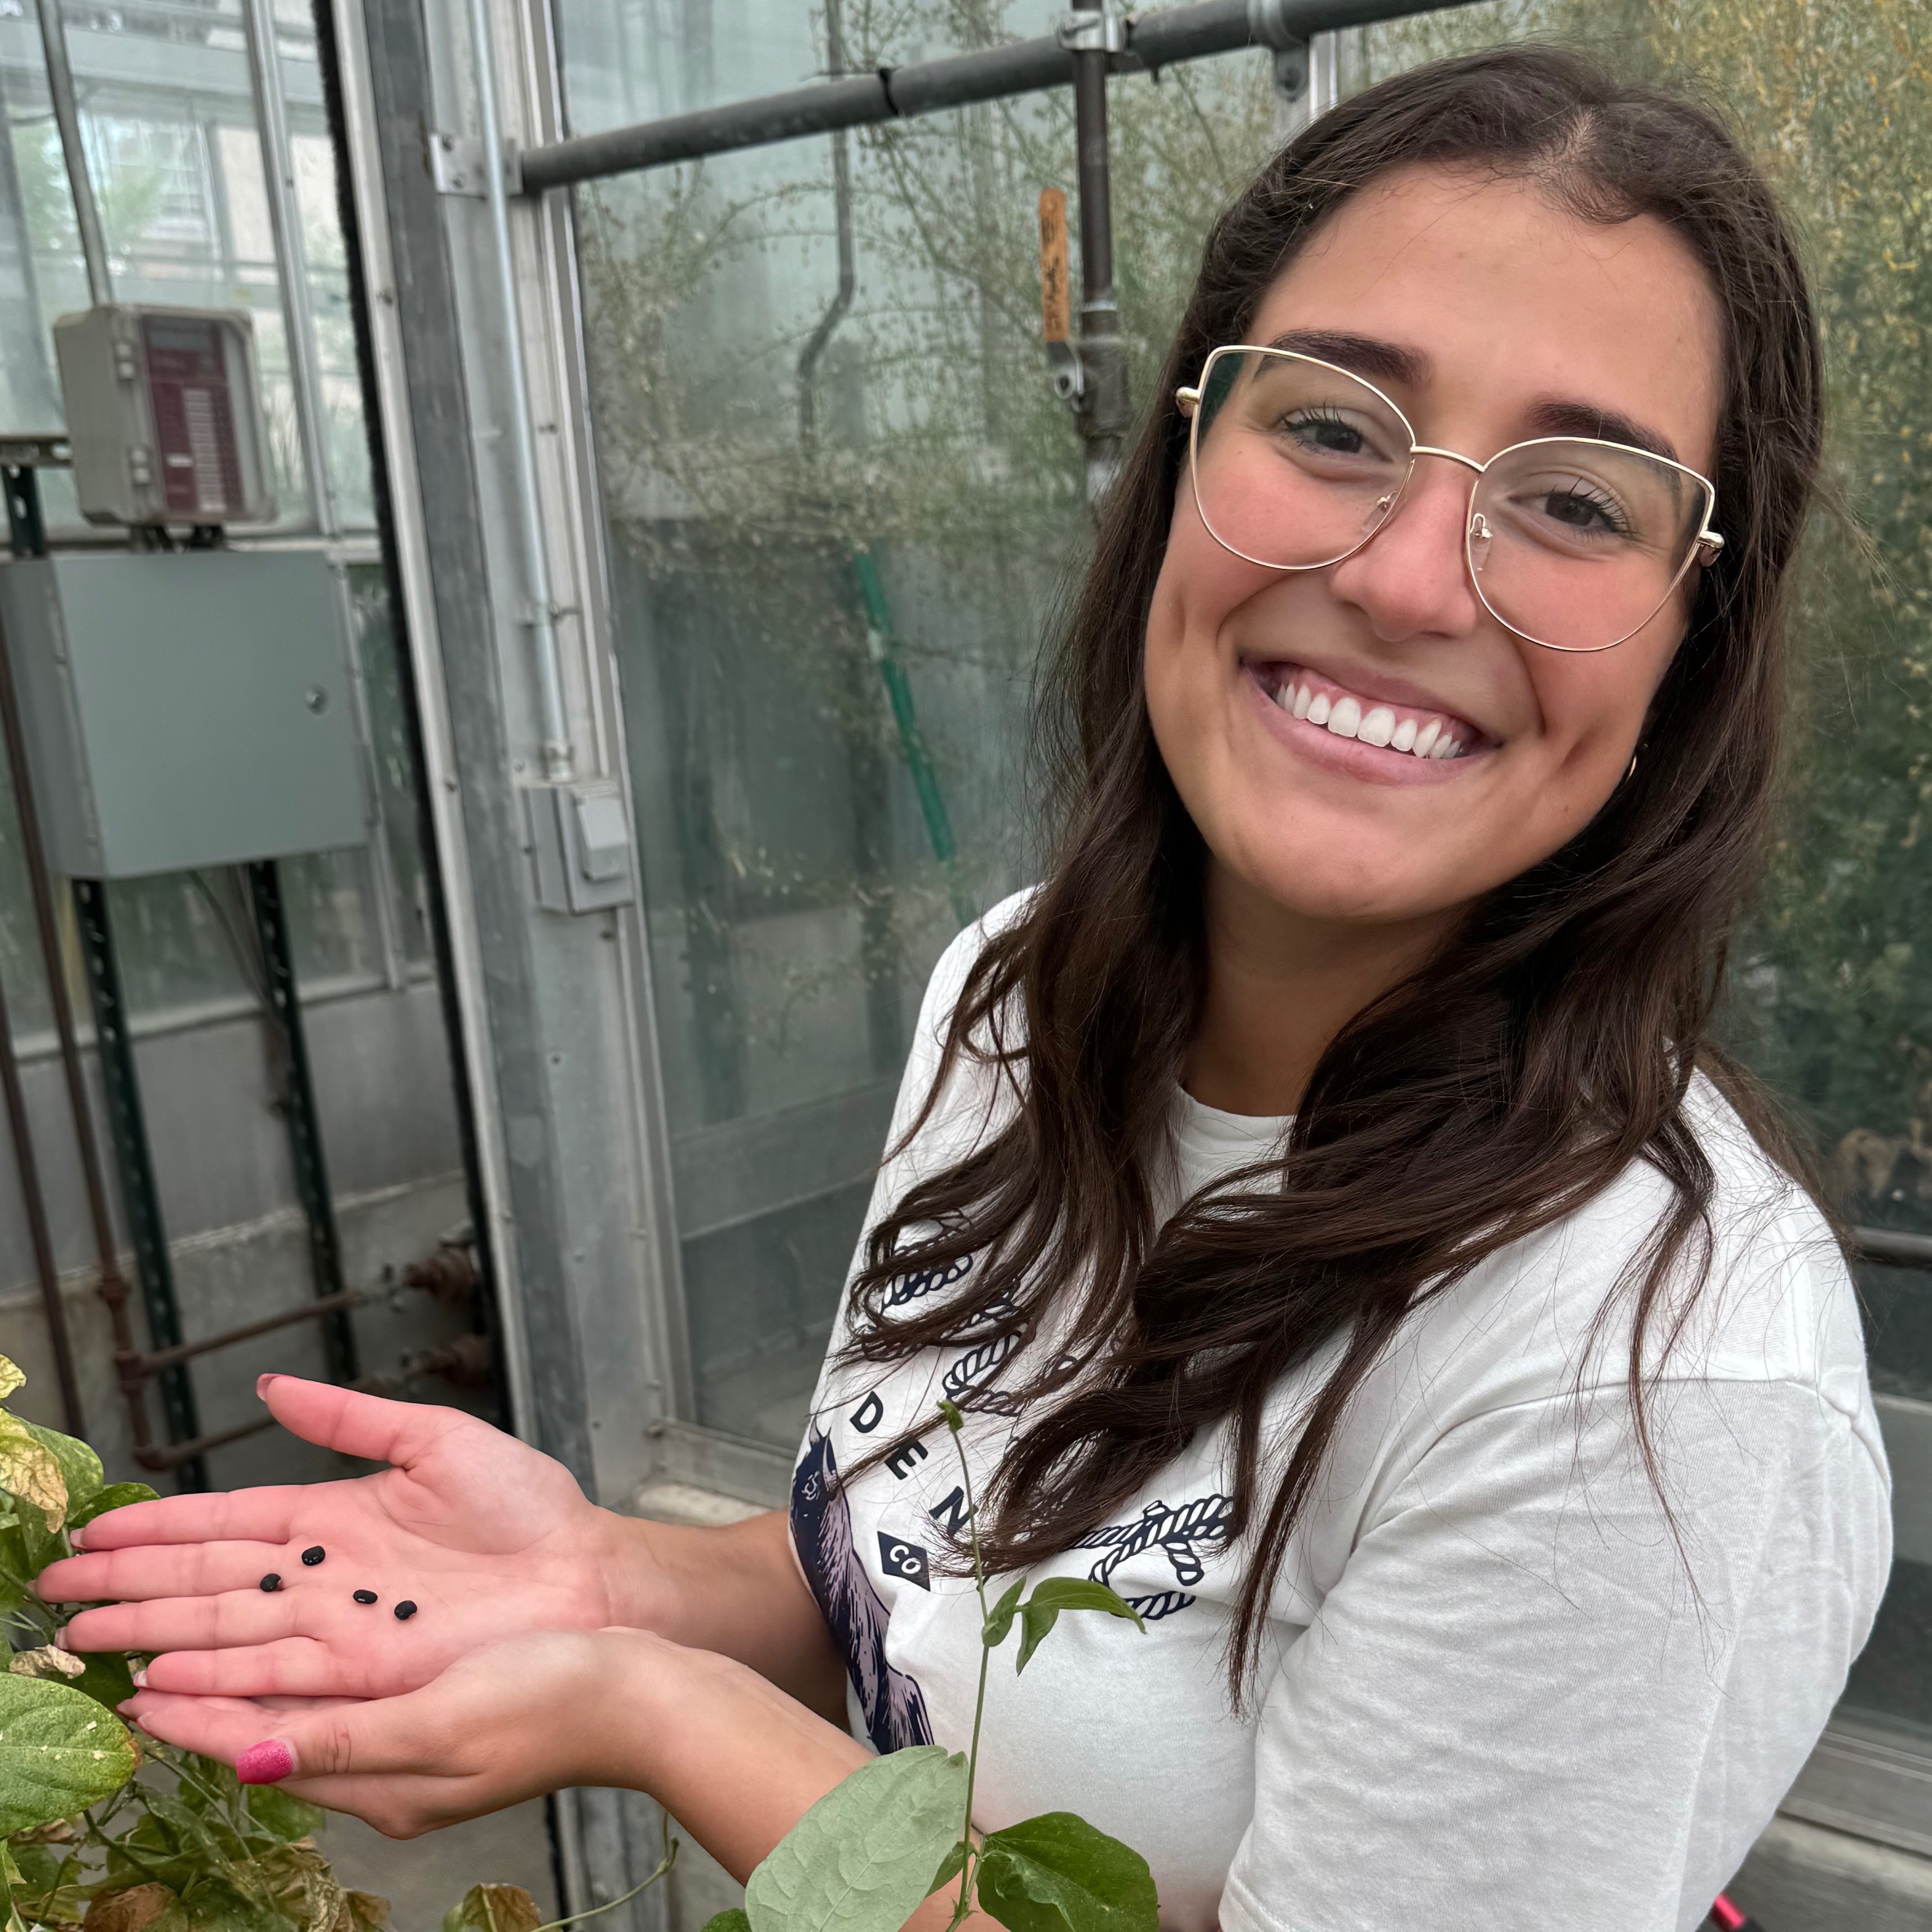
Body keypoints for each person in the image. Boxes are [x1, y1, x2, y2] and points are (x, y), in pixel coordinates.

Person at [42, 44, 1891, 1932]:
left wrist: (657, 1713)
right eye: (1332, 427)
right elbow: (952, 1574)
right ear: (1181, 459)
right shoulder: (1014, 999)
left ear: (1692, 646)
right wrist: (611, 1575)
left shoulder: (1652, 1372)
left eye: (1577, 503)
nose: (1412, 575)